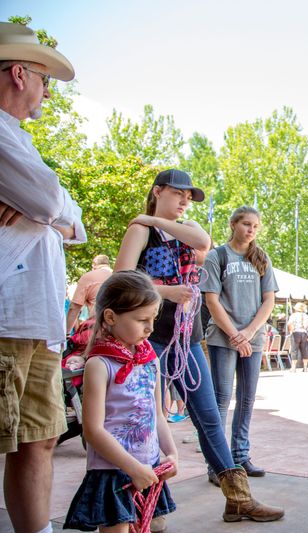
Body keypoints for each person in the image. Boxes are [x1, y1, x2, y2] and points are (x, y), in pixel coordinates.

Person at [115, 169, 283, 522]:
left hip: (186, 339)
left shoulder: (181, 228)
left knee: (208, 416)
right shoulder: (140, 231)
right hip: (149, 338)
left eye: (188, 197)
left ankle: (238, 498)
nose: (183, 201)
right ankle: (147, 505)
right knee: (146, 417)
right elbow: (122, 280)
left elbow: (203, 242)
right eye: (178, 194)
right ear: (157, 190)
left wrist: (148, 214)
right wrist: (164, 291)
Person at [0, 22, 87, 533]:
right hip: (8, 317)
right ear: (18, 74)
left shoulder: (19, 141)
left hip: (39, 318)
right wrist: (50, 210)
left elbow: (67, 217)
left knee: (39, 438)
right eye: (43, 78)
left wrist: (45, 211)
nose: (47, 91)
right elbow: (52, 201)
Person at [63, 270, 178, 531]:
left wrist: (171, 453)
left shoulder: (150, 360)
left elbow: (158, 414)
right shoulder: (99, 365)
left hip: (148, 466)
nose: (150, 328)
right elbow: (92, 430)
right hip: (112, 471)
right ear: (111, 317)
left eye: (153, 318)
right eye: (141, 320)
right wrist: (133, 468)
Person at [202, 206, 278, 478]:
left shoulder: (261, 258)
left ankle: (241, 456)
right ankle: (218, 464)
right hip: (223, 338)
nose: (251, 230)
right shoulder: (217, 256)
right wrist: (235, 334)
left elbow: (268, 300)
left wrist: (249, 332)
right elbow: (211, 300)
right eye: (246, 224)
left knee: (247, 399)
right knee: (221, 399)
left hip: (252, 339)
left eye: (255, 226)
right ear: (234, 224)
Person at [66, 254, 113, 332]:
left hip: (97, 328)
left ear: (94, 265)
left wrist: (67, 332)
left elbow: (74, 307)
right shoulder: (117, 275)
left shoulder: (89, 276)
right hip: (120, 330)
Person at [287, 302, 308, 372]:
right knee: (304, 350)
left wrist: (291, 330)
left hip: (295, 333)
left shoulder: (293, 315)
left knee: (294, 350)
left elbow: (289, 323)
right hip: (304, 333)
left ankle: (293, 368)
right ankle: (305, 367)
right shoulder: (306, 315)